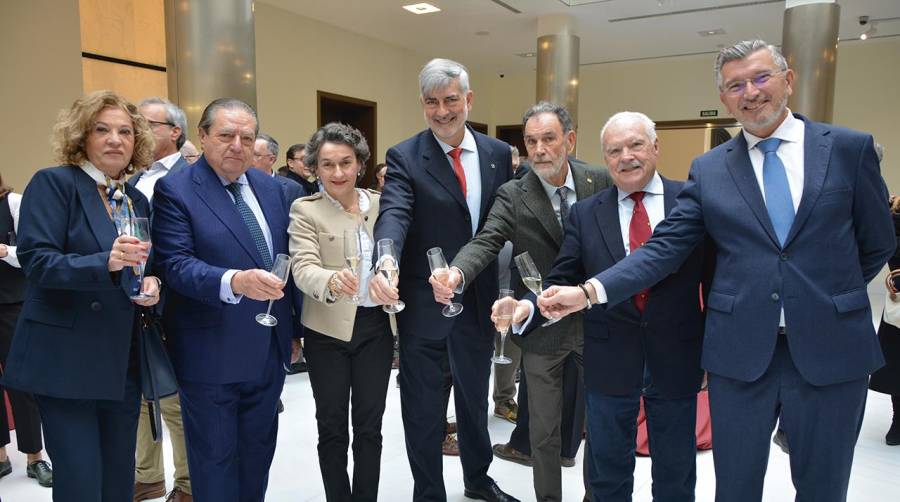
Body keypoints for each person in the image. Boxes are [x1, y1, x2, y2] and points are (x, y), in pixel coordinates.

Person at [536, 40, 895, 502]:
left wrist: (822, 293)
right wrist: (589, 292)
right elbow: (664, 249)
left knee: (824, 487)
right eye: (735, 85)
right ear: (724, 98)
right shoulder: (709, 170)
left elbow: (877, 242)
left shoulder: (848, 148)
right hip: (741, 354)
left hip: (832, 348)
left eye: (761, 77)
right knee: (736, 487)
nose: (750, 92)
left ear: (789, 80)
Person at [506, 111, 709, 501]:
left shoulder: (690, 200)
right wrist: (529, 307)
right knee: (608, 475)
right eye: (613, 150)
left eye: (635, 145)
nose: (625, 157)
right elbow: (562, 275)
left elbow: (712, 279)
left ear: (655, 147)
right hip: (609, 356)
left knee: (676, 474)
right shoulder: (587, 212)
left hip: (677, 356)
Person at [432, 101, 612, 501]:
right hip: (542, 328)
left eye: (548, 139)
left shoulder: (598, 180)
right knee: (543, 432)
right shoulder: (514, 193)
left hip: (597, 323)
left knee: (600, 428)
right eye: (531, 141)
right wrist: (457, 273)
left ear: (569, 139)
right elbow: (487, 239)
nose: (540, 149)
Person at [1, 90, 161, 501]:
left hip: (120, 361)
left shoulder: (134, 197)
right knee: (81, 482)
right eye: (102, 129)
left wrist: (151, 282)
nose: (115, 139)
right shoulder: (54, 184)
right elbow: (37, 261)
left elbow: (143, 262)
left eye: (125, 131)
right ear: (81, 137)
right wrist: (102, 263)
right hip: (66, 362)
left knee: (118, 481)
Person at [369, 58, 517, 502]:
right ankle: (428, 492)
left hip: (477, 302)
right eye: (431, 102)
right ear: (422, 104)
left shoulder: (494, 155)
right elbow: (393, 213)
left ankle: (478, 480)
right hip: (425, 307)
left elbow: (501, 222)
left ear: (468, 100)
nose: (442, 111)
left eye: (451, 100)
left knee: (473, 401)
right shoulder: (405, 156)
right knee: (424, 408)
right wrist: (386, 258)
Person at [151, 98, 298, 502]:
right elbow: (175, 265)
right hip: (210, 352)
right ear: (201, 136)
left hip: (268, 348)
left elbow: (290, 262)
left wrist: (294, 330)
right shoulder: (175, 190)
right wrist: (234, 281)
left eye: (246, 137)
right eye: (226, 135)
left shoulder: (272, 189)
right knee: (215, 462)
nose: (237, 145)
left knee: (257, 455)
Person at [288, 122, 393, 501]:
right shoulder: (306, 209)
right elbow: (302, 267)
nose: (337, 173)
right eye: (327, 165)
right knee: (331, 427)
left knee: (370, 427)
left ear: (360, 164)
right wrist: (331, 282)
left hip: (375, 328)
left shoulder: (382, 205)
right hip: (326, 332)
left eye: (345, 163)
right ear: (314, 167)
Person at [129, 96, 193, 502]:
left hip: (177, 299)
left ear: (175, 131)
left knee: (173, 397)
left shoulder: (192, 175)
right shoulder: (128, 180)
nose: (138, 129)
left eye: (148, 123)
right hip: (132, 300)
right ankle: (147, 474)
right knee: (138, 390)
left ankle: (187, 481)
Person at [0, 174, 53, 488]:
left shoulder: (14, 203)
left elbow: (34, 254)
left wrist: (6, 251)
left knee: (22, 381)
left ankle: (35, 457)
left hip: (13, 304)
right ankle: (1, 457)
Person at [870, 193, 900, 445]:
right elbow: (886, 248)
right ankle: (898, 420)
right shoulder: (894, 214)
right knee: (897, 364)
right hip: (899, 301)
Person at [253, 133, 306, 202]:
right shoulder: (238, 184)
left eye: (255, 155)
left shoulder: (293, 189)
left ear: (271, 159)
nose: (247, 158)